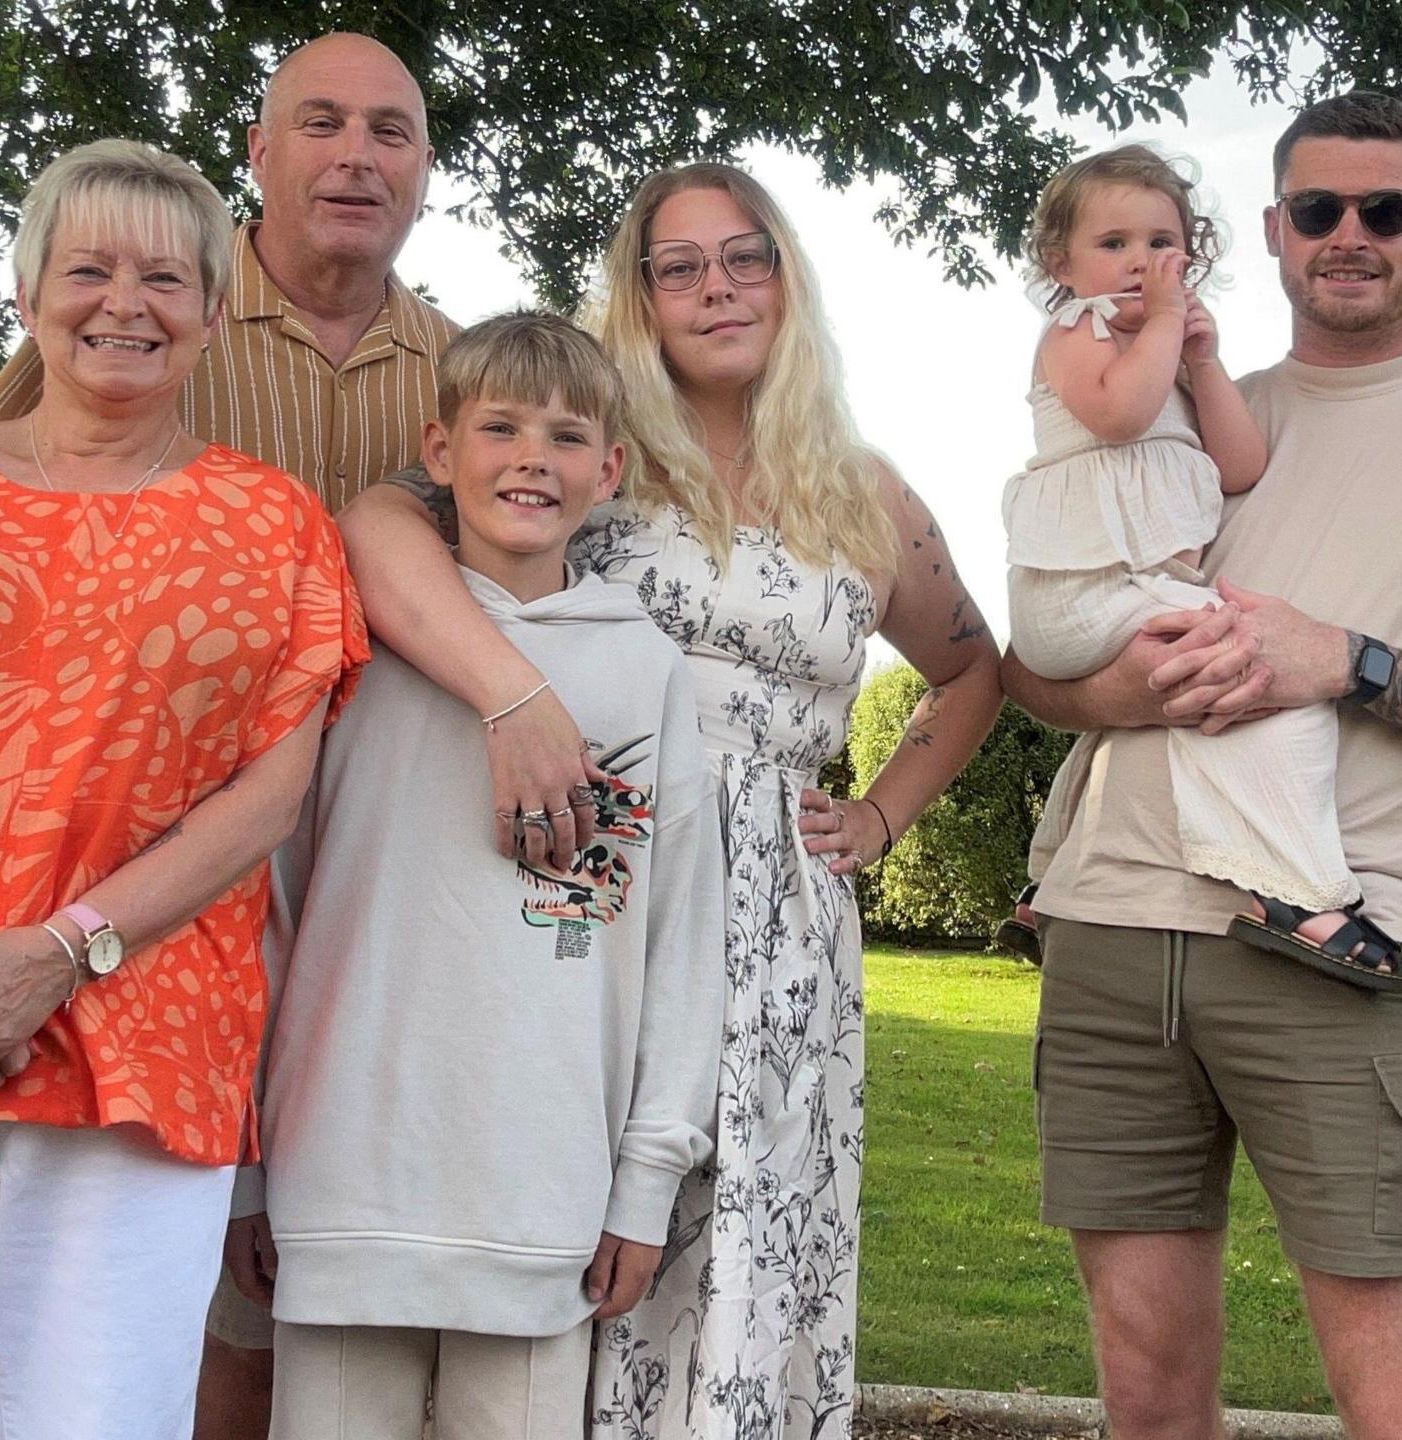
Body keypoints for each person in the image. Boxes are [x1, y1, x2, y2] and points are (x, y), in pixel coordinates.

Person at [0, 33, 456, 1439]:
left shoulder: (269, 521)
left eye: (165, 277)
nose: (127, 303)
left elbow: (268, 789)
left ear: (208, 303)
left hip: (146, 1013)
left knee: (108, 1413)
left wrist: (55, 957)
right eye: (89, 270)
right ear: (26, 291)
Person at [340, 160, 1002, 1439]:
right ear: (638, 294)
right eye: (679, 264)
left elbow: (972, 669)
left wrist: (878, 816)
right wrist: (509, 701)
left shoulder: (861, 490)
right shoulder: (587, 446)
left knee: (747, 1239)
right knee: (574, 1221)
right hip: (588, 865)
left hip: (777, 919)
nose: (716, 287)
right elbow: (380, 524)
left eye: (743, 256)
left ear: (785, 276)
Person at [1000, 92, 1402, 1440]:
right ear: (1270, 231)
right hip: (1111, 919)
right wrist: (1116, 687)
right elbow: (1036, 660)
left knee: (1400, 1405)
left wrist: (1348, 663)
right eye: (1318, 209)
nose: (1349, 234)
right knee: (1146, 1392)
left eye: (1384, 210)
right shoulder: (1161, 409)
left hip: (1342, 939)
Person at [231, 311, 726, 1440]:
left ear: (609, 470)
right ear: (439, 450)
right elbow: (274, 907)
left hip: (543, 1193)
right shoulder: (353, 649)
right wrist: (254, 1170)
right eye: (497, 426)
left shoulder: (643, 668)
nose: (529, 459)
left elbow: (678, 946)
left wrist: (647, 1178)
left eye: (563, 436)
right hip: (343, 1175)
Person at [999, 142, 1398, 982]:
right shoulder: (1078, 334)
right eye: (1114, 245)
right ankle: (1299, 893)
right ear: (1061, 265)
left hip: (1130, 592)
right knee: (1264, 686)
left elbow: (1240, 466)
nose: (1141, 262)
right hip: (1083, 591)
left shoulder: (1173, 362)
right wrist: (1171, 328)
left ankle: (1046, 870)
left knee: (1156, 713)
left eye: (1161, 243)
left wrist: (1204, 363)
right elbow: (1116, 415)